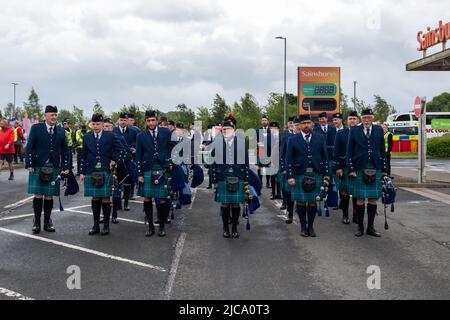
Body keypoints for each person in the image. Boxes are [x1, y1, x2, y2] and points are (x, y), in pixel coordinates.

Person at [25, 106, 70, 234]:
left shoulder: (61, 131)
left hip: (54, 166)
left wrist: (66, 166)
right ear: (45, 116)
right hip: (38, 165)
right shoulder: (36, 128)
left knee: (49, 195)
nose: (54, 117)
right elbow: (30, 146)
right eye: (51, 115)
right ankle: (37, 222)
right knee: (38, 194)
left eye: (55, 115)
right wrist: (29, 163)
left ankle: (47, 221)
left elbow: (65, 150)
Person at [80, 113, 125, 236]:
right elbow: (83, 156)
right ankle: (95, 225)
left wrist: (114, 160)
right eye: (93, 124)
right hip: (91, 170)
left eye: (98, 124)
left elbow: (121, 150)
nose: (95, 126)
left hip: (105, 170)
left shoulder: (110, 136)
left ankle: (106, 225)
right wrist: (82, 172)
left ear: (101, 124)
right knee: (94, 197)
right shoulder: (86, 137)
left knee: (105, 198)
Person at [286, 114, 330, 238]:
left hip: (316, 173)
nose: (306, 125)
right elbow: (289, 159)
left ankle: (310, 226)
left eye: (308, 123)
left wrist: (326, 174)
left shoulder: (320, 138)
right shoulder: (293, 139)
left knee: (312, 202)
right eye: (304, 123)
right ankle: (303, 227)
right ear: (299, 125)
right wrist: (290, 176)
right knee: (300, 202)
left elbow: (325, 158)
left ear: (312, 124)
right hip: (300, 173)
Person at [347, 108, 388, 238]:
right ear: (361, 118)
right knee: (359, 198)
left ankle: (371, 227)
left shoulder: (378, 130)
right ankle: (360, 227)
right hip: (359, 166)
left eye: (369, 117)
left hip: (375, 166)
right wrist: (351, 169)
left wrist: (384, 169)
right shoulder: (354, 131)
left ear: (372, 117)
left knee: (372, 199)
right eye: (364, 117)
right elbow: (349, 152)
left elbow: (383, 151)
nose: (367, 120)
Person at [136, 111, 175, 237]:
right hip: (147, 168)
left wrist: (170, 162)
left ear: (157, 120)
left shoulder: (166, 132)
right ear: (145, 121)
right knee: (147, 198)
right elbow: (138, 156)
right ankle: (151, 227)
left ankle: (162, 226)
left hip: (162, 167)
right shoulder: (141, 136)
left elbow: (172, 148)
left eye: (153, 120)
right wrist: (139, 173)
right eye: (148, 121)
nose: (151, 123)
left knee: (162, 199)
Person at [211, 114, 250, 239]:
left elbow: (246, 162)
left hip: (238, 175)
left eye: (228, 129)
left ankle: (234, 227)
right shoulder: (217, 142)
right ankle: (225, 228)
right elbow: (212, 162)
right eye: (224, 129)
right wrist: (214, 179)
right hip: (223, 176)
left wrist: (246, 178)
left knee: (235, 204)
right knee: (225, 204)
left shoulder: (242, 142)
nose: (226, 131)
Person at [103, 118, 131, 224]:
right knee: (103, 194)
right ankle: (104, 215)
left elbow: (126, 152)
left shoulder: (119, 137)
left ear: (112, 127)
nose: (106, 128)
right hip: (104, 169)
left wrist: (116, 161)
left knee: (115, 192)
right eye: (104, 126)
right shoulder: (99, 138)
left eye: (108, 126)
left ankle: (114, 214)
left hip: (116, 169)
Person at [333, 111, 359, 225]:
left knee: (356, 192)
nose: (352, 120)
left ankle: (355, 215)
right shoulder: (341, 133)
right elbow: (336, 151)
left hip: (358, 167)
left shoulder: (361, 133)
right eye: (350, 118)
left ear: (357, 120)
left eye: (354, 118)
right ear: (347, 121)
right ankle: (345, 215)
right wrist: (338, 167)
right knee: (344, 193)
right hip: (344, 167)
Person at [113, 113, 139, 209]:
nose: (123, 122)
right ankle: (118, 203)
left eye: (125, 120)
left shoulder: (133, 131)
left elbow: (137, 141)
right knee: (117, 182)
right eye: (121, 120)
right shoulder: (114, 130)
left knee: (128, 181)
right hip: (117, 160)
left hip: (128, 159)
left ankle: (126, 202)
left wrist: (134, 148)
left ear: (127, 121)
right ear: (118, 120)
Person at [279, 116, 298, 222]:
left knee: (301, 192)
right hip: (289, 168)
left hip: (301, 169)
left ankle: (300, 212)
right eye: (295, 125)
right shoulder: (286, 137)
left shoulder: (306, 137)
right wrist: (283, 168)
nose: (297, 127)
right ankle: (290, 214)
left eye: (298, 124)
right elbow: (282, 154)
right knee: (290, 193)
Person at [256, 115, 272, 188]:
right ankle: (260, 182)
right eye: (263, 120)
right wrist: (257, 144)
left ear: (268, 121)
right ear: (261, 122)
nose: (264, 121)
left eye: (265, 120)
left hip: (269, 151)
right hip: (261, 151)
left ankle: (268, 182)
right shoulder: (257, 130)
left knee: (268, 167)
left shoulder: (271, 130)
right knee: (260, 168)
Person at [269, 122, 282, 200]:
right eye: (271, 128)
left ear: (278, 129)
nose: (272, 130)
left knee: (279, 177)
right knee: (273, 177)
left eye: (274, 128)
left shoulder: (281, 136)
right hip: (271, 160)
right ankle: (273, 193)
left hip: (279, 159)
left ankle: (279, 193)